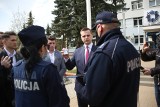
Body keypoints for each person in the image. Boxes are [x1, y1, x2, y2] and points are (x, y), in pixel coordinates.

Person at [78, 11, 140, 107]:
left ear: (100, 27)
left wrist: (79, 87)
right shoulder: (131, 48)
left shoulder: (104, 53)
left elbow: (91, 96)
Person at [12, 25, 70, 107]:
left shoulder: (16, 67)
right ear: (43, 47)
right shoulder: (48, 69)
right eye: (47, 45)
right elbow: (61, 102)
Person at [63, 27, 97, 107]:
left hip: (94, 86)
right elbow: (70, 67)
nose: (86, 37)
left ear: (92, 36)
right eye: (84, 36)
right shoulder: (77, 51)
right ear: (81, 37)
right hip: (80, 87)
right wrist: (66, 58)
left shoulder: (99, 50)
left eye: (88, 35)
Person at [0, 31, 22, 107]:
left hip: (19, 94)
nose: (15, 42)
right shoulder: (1, 56)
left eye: (16, 40)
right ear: (4, 41)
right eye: (12, 40)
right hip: (5, 98)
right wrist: (1, 66)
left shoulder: (20, 56)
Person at [140, 33, 160, 107]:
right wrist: (143, 52)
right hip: (157, 82)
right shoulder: (158, 51)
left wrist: (152, 71)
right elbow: (145, 58)